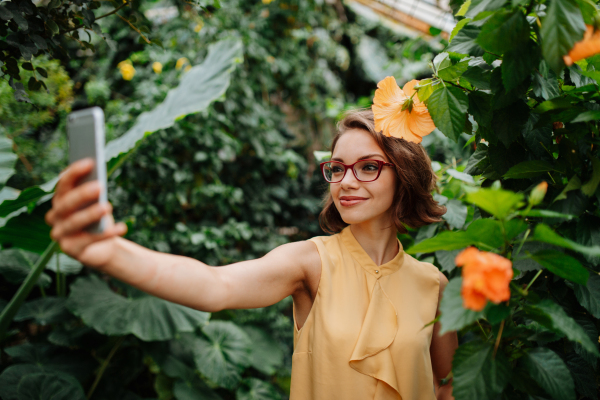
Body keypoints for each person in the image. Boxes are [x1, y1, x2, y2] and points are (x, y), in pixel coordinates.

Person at [45, 108, 458, 400]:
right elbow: (216, 285)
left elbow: (446, 382)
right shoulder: (310, 262)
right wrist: (108, 251)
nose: (346, 182)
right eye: (336, 168)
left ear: (402, 174)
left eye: (368, 167)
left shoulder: (433, 284)